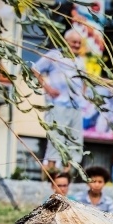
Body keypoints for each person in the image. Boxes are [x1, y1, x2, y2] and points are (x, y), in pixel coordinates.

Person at [33, 29, 86, 175]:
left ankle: (66, 174)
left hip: (76, 106)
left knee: (74, 140)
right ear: (66, 41)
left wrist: (84, 93)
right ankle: (51, 172)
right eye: (74, 42)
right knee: (56, 139)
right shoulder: (54, 55)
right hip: (58, 104)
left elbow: (85, 80)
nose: (76, 45)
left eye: (79, 43)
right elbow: (35, 69)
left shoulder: (80, 61)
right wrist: (47, 87)